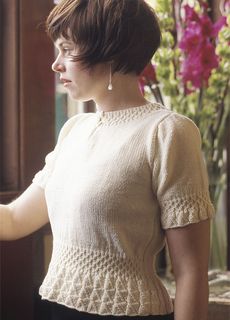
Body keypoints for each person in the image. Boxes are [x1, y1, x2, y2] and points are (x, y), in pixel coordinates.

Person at [0, 0, 215, 319]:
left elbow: (191, 272)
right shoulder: (74, 129)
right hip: (54, 308)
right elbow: (15, 219)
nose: (56, 64)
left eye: (67, 49)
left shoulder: (167, 132)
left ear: (111, 51)